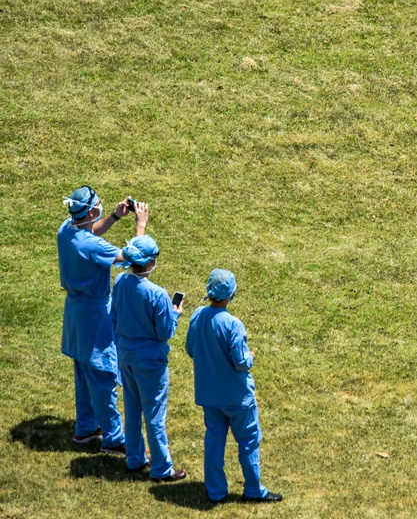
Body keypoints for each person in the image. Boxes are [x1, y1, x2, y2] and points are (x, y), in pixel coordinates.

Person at [57, 186, 146, 454]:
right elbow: (133, 257)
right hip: (95, 317)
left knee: (84, 373)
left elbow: (90, 232)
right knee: (103, 376)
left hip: (74, 313)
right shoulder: (90, 245)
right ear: (93, 211)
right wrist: (140, 225)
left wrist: (115, 216)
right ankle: (114, 437)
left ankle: (85, 428)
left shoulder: (67, 229)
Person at [186, 270, 282, 503]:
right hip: (237, 398)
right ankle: (253, 490)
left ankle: (216, 491)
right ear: (229, 295)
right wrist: (251, 356)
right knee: (249, 441)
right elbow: (241, 363)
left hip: (209, 394)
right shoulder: (233, 324)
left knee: (214, 440)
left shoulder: (198, 315)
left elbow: (191, 349)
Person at [111, 235, 186, 481]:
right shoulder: (158, 294)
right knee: (154, 414)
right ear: (150, 262)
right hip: (150, 362)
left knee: (132, 409)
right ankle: (162, 468)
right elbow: (165, 332)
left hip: (126, 356)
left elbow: (114, 316)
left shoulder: (120, 281)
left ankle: (134, 458)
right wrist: (175, 314)